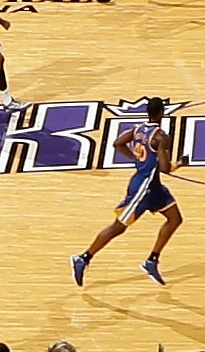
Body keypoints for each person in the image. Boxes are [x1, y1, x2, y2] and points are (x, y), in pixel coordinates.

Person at [72, 98, 186, 288]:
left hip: (153, 186)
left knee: (175, 219)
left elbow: (118, 143)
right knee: (118, 227)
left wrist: (135, 158)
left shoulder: (137, 129)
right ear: (162, 113)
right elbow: (165, 168)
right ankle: (83, 257)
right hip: (142, 189)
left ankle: (152, 260)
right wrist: (179, 164)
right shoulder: (160, 137)